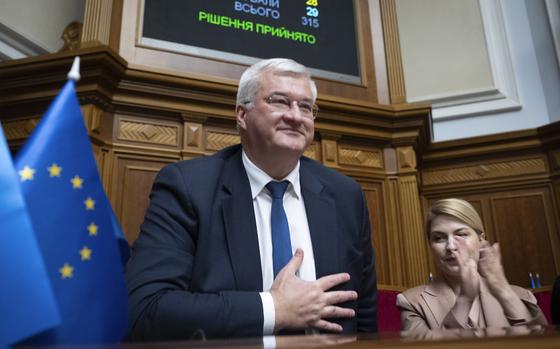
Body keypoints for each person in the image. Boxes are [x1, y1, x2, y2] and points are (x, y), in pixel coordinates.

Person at [126, 58, 377, 340]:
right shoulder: (188, 188)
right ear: (242, 115)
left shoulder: (345, 195)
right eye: (279, 101)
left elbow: (364, 313)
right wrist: (274, 308)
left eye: (305, 107)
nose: (296, 116)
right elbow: (147, 308)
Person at [397, 198, 547, 333]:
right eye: (439, 238)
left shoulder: (521, 296)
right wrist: (464, 299)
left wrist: (503, 289)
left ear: (481, 240)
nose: (450, 246)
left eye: (461, 234)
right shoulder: (412, 302)